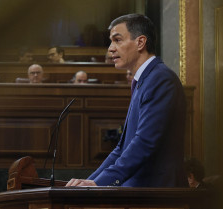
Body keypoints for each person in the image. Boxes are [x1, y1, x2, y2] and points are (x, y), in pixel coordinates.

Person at [66, 14, 187, 187]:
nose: (110, 49)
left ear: (140, 42)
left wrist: (100, 184)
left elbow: (145, 142)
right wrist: (90, 182)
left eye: (117, 40)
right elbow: (121, 149)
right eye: (111, 41)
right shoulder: (144, 80)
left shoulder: (160, 78)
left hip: (157, 192)